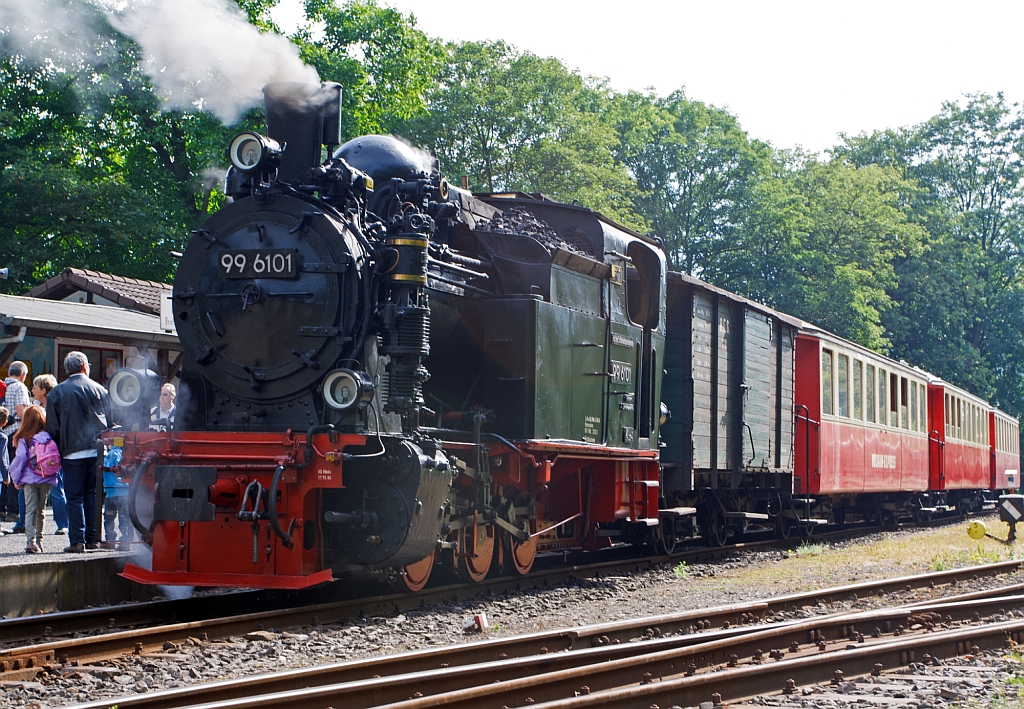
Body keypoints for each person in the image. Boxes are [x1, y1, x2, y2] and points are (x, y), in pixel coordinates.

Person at [46, 352, 112, 553]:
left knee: (74, 497)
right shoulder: (101, 390)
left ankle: (77, 541)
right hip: (96, 448)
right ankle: (92, 539)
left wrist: (59, 448)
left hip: (71, 450)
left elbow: (53, 427)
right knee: (93, 494)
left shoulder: (56, 393)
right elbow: (110, 421)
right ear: (84, 366)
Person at [9, 405, 59, 553]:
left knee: (30, 510)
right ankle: (40, 541)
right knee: (41, 511)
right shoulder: (48, 437)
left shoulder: (25, 439)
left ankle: (30, 542)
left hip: (30, 480)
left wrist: (16, 479)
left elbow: (20, 459)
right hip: (46, 478)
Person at [31, 374, 67, 535]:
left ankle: (62, 523)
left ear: (43, 390)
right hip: (36, 454)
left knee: (56, 487)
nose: (32, 390)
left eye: (35, 387)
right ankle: (24, 522)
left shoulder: (52, 409)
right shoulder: (37, 407)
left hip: (50, 454)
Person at [0, 361, 30, 525]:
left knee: (2, 469)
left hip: (2, 432)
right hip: (15, 434)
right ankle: (13, 511)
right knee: (15, 471)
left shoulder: (3, 386)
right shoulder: (19, 387)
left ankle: (1, 509)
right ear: (23, 375)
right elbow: (21, 410)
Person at [101, 446, 132, 549]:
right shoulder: (128, 454)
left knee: (109, 518)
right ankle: (125, 542)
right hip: (126, 492)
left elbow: (105, 467)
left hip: (112, 492)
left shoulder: (111, 454)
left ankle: (110, 541)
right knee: (124, 518)